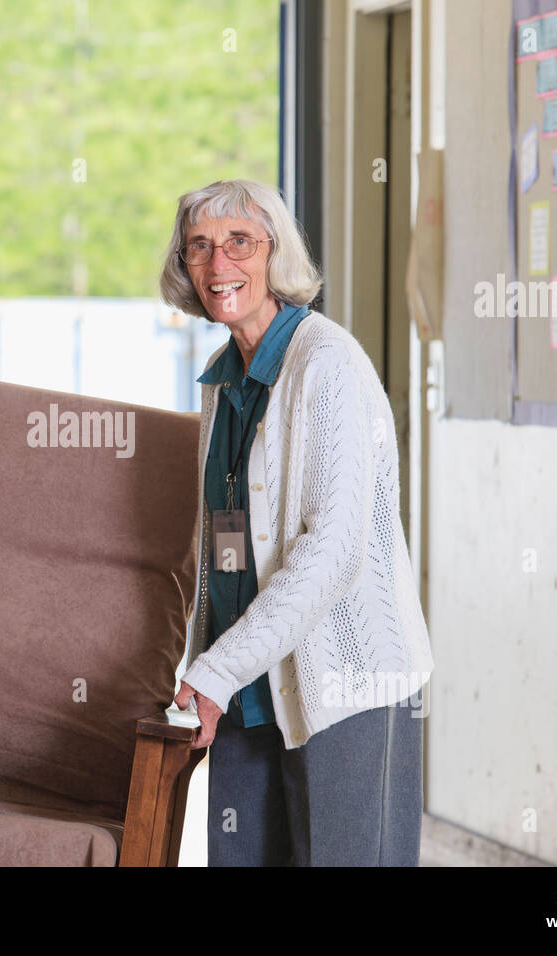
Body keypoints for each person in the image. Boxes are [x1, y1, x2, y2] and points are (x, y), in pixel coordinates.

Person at [162, 179, 435, 866]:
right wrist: (205, 663)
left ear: (274, 254)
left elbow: (331, 554)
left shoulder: (328, 363)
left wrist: (218, 669)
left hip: (342, 683)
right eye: (200, 247)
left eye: (239, 243)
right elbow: (226, 543)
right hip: (245, 685)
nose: (218, 264)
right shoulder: (223, 380)